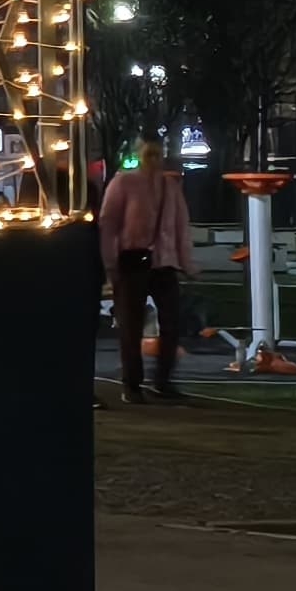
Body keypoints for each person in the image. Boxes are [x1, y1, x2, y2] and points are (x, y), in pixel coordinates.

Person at [96, 139, 193, 404]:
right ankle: (132, 384)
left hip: (164, 262)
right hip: (131, 262)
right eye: (149, 153)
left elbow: (180, 227)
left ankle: (162, 381)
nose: (154, 159)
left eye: (157, 154)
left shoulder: (169, 187)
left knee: (172, 322)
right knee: (131, 326)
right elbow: (109, 224)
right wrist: (110, 262)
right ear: (139, 155)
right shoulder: (124, 183)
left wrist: (187, 262)